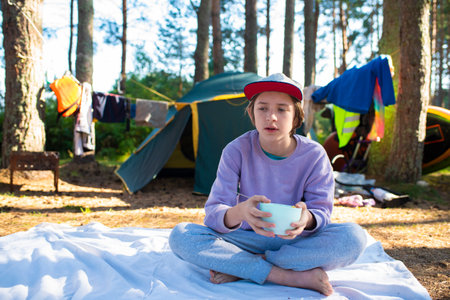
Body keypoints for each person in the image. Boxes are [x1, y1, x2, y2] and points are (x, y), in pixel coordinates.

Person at [169, 73, 367, 296]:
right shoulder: (236, 150)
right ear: (252, 114)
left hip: (296, 243)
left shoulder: (314, 155)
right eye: (262, 108)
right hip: (245, 240)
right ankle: (285, 275)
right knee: (181, 235)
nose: (271, 117)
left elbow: (321, 212)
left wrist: (307, 218)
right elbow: (214, 213)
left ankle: (247, 266)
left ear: (296, 118)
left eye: (282, 109)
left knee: (354, 237)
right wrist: (241, 211)